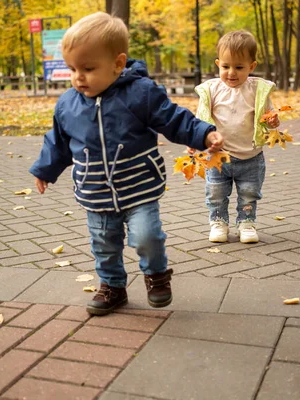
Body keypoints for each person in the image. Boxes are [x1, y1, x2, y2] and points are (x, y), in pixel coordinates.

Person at [29, 12, 224, 316]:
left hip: (139, 188)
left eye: (88, 68)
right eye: (72, 69)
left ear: (118, 64)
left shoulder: (140, 94)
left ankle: (157, 276)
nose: (78, 76)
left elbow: (173, 118)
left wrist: (204, 133)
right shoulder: (67, 104)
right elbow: (59, 141)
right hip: (95, 192)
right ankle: (113, 287)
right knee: (104, 245)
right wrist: (45, 169)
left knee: (147, 236)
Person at [188, 30, 280, 244]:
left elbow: (268, 116)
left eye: (239, 67)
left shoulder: (257, 90)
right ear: (218, 63)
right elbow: (200, 120)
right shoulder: (212, 90)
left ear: (252, 66)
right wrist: (193, 141)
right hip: (218, 157)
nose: (231, 73)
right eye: (225, 66)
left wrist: (273, 122)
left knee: (249, 193)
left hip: (251, 157)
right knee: (216, 193)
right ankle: (218, 222)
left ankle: (246, 223)